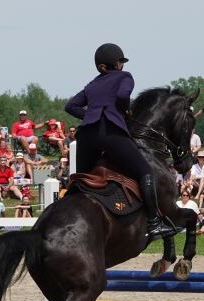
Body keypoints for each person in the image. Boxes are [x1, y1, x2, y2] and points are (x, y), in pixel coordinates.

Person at [64, 42, 175, 238]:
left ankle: (67, 219)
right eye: (120, 62)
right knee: (145, 172)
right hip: (110, 133)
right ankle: (154, 223)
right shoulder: (125, 77)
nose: (122, 65)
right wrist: (122, 110)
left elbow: (71, 106)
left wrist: (91, 115)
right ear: (111, 65)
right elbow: (123, 95)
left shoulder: (93, 84)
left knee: (83, 180)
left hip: (87, 136)